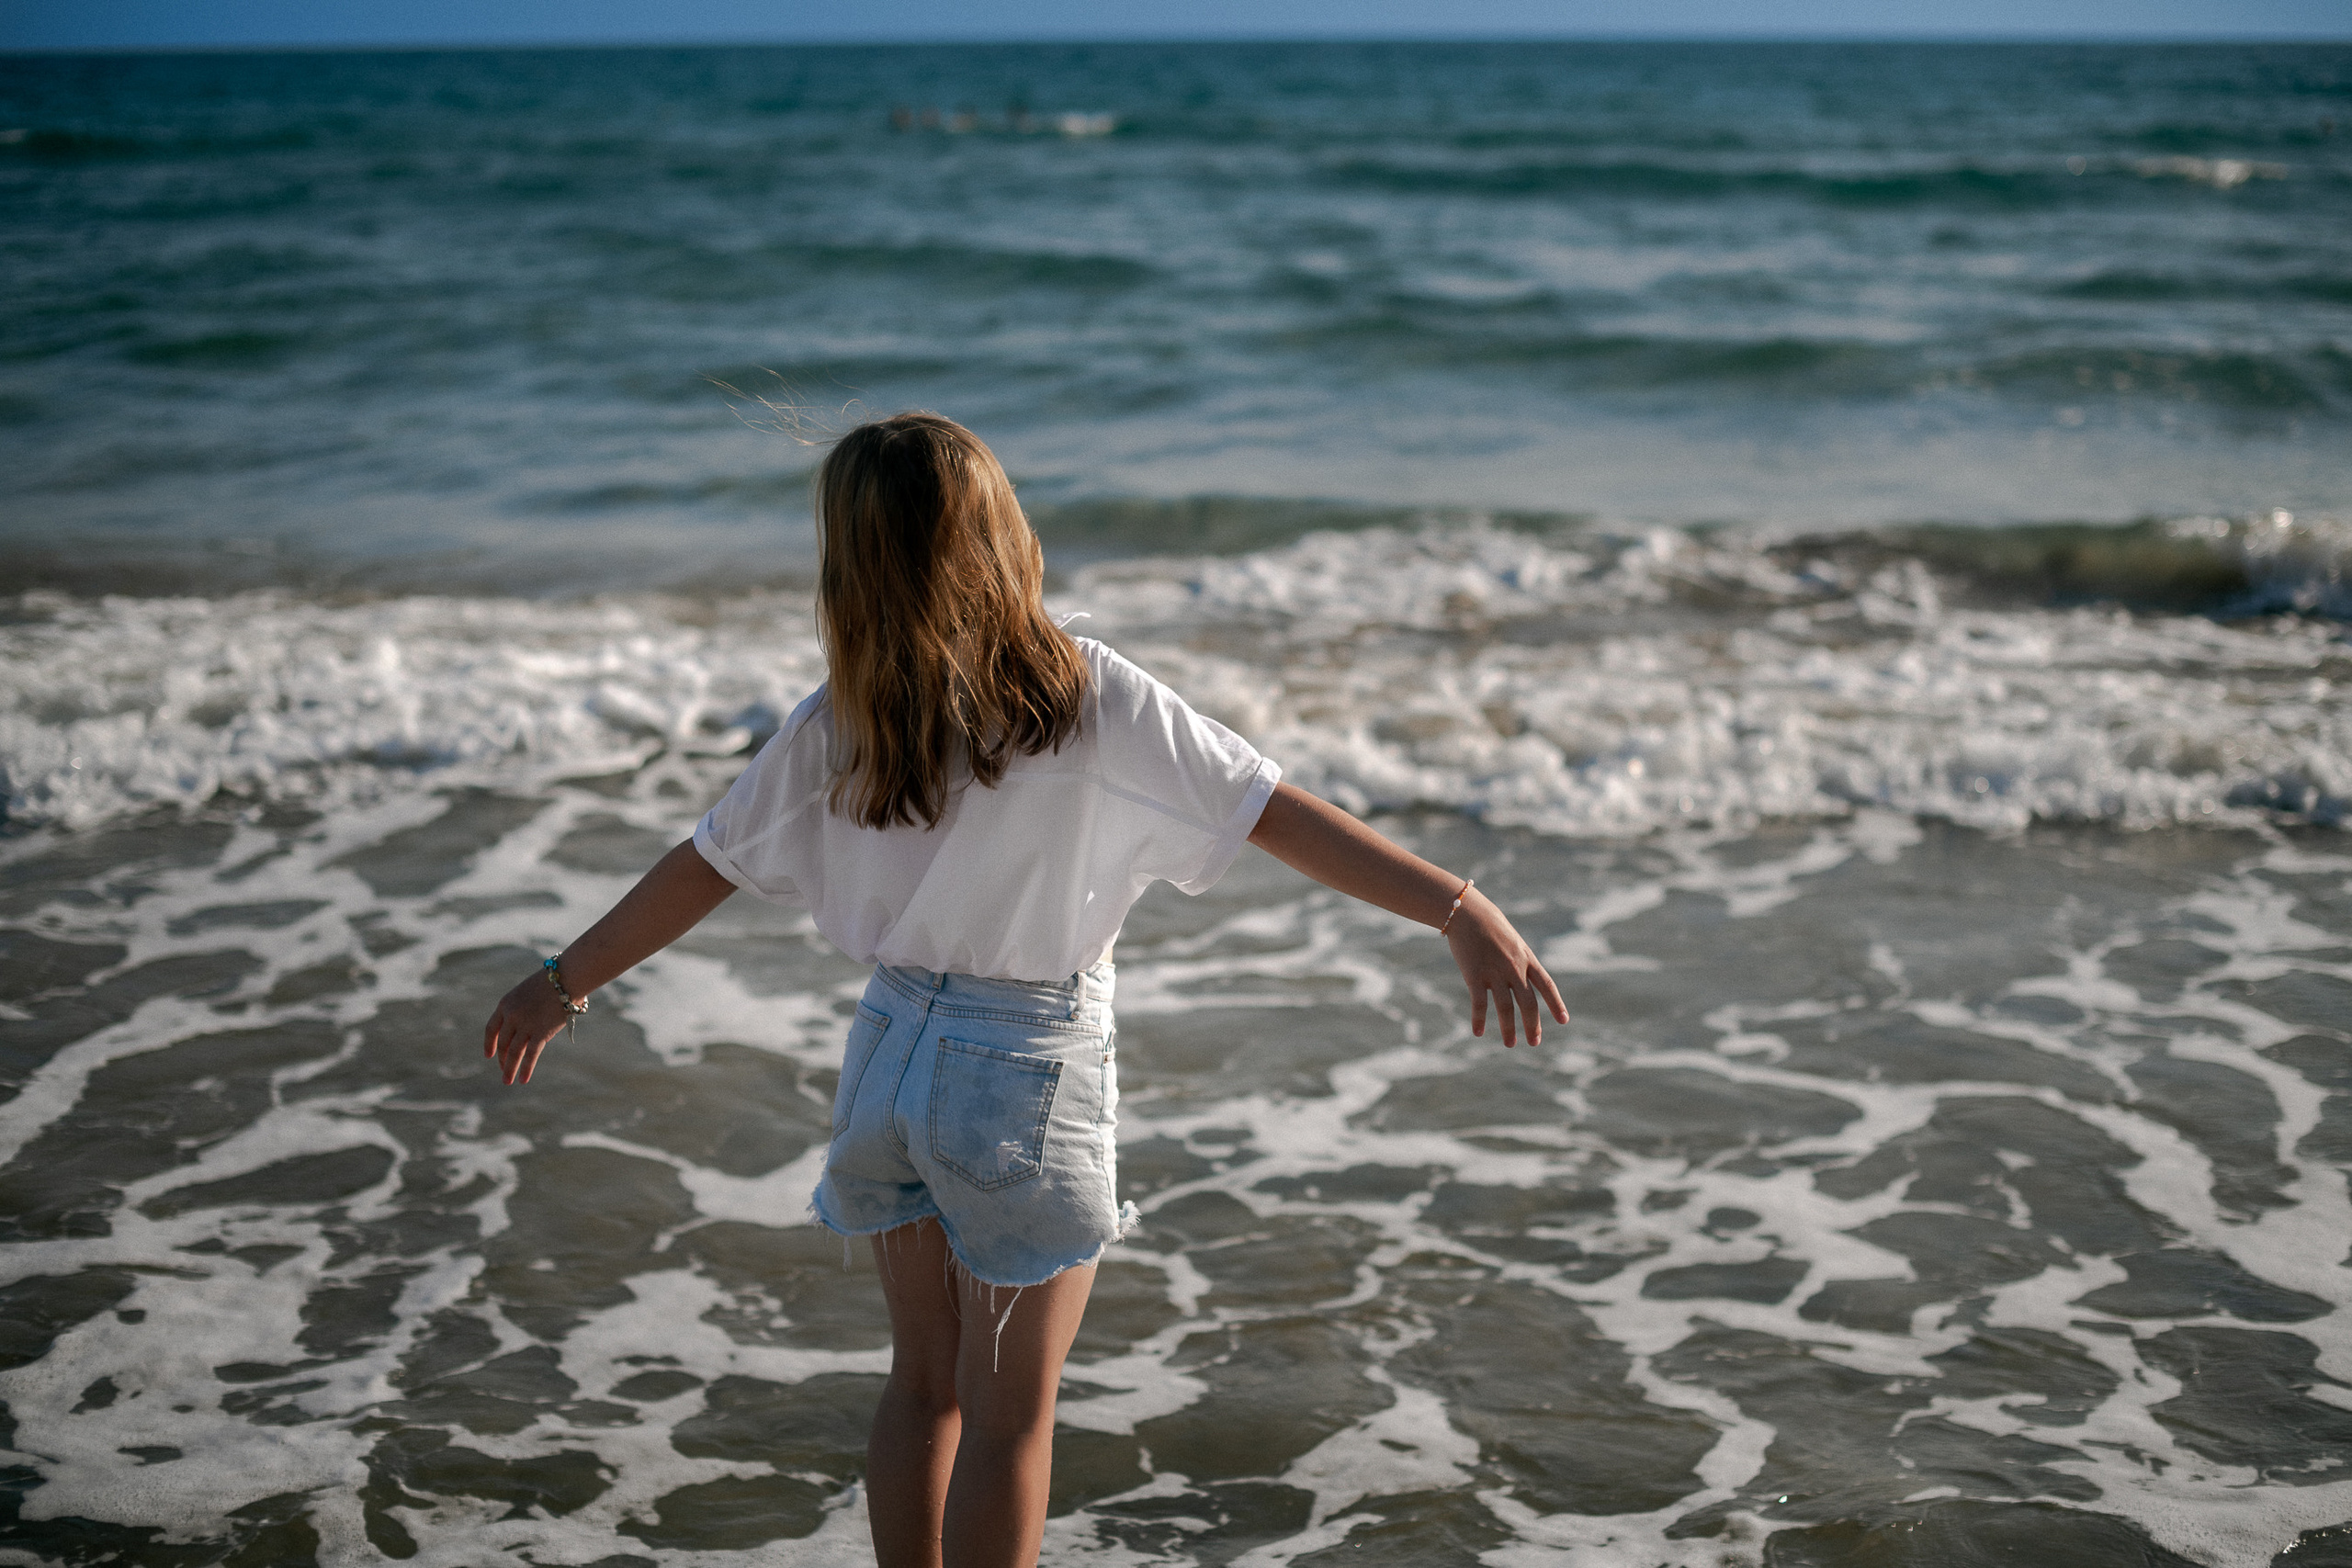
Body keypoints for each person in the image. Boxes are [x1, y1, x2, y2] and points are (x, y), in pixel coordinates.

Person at [481, 412, 1567, 1568]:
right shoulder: (1088, 694)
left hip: (887, 1058)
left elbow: (704, 865)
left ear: (848, 565)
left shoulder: (842, 718)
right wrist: (1458, 906)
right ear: (1003, 536)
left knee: (922, 1388)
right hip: (1022, 1077)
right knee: (1009, 1421)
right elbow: (1274, 816)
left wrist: (563, 981)